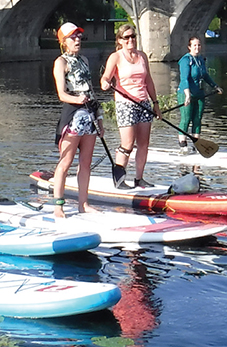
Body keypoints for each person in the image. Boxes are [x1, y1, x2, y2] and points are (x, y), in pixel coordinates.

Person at [51, 22, 101, 218]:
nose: (77, 40)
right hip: (72, 115)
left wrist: (100, 117)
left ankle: (83, 204)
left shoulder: (85, 60)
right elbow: (62, 94)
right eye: (73, 37)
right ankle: (58, 206)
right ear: (64, 42)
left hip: (89, 115)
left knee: (86, 163)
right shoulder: (60, 62)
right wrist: (77, 99)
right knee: (66, 162)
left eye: (79, 37)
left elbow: (91, 90)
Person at [100, 23, 159, 188]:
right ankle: (120, 179)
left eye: (133, 36)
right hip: (125, 104)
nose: (131, 40)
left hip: (143, 103)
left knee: (144, 143)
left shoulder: (142, 56)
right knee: (127, 144)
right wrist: (105, 83)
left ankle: (139, 179)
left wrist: (155, 104)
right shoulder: (116, 57)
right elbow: (106, 77)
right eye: (126, 37)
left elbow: (148, 81)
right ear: (120, 40)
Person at [176, 35, 221, 151]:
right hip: (186, 94)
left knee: (197, 119)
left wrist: (215, 86)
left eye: (199, 45)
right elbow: (184, 79)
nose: (197, 47)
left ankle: (197, 145)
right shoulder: (185, 60)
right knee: (186, 119)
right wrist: (187, 95)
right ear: (189, 47)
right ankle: (182, 145)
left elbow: (205, 75)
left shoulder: (200, 59)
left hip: (199, 94)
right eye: (194, 45)